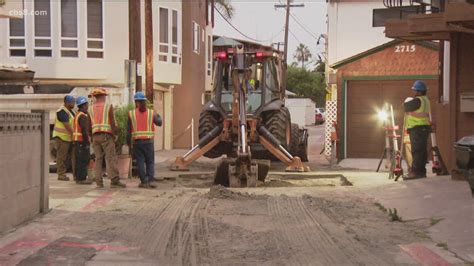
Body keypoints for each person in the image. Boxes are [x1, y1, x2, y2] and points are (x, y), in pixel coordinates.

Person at [89, 88, 126, 188]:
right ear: (103, 96)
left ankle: (99, 182)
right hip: (106, 136)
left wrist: (91, 137)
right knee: (110, 158)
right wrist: (116, 134)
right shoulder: (108, 106)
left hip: (95, 136)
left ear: (95, 97)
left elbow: (89, 124)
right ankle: (114, 181)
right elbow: (112, 122)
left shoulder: (90, 108)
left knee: (98, 159)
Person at [127, 92, 162, 188]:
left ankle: (143, 182)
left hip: (137, 142)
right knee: (150, 161)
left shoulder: (131, 114)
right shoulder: (151, 113)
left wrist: (129, 145)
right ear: (145, 101)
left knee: (140, 162)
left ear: (136, 102)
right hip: (149, 142)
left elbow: (128, 131)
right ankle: (150, 180)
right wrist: (157, 113)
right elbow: (160, 123)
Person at [403, 80, 432, 180]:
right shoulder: (426, 100)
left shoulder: (418, 100)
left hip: (417, 129)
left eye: (415, 90)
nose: (414, 92)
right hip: (423, 128)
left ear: (419, 91)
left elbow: (405, 106)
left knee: (417, 151)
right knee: (422, 151)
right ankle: (421, 172)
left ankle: (415, 173)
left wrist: (407, 101)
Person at [53, 95, 75, 181]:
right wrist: (74, 134)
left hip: (67, 137)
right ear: (66, 103)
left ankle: (72, 174)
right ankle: (61, 174)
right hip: (62, 137)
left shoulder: (70, 111)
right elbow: (67, 125)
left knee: (67, 157)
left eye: (73, 102)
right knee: (61, 157)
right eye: (72, 102)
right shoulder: (61, 111)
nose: (73, 104)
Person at [73, 96, 93, 185]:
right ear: (83, 105)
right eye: (86, 104)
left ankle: (78, 178)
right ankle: (82, 179)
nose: (88, 106)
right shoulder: (82, 116)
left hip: (77, 141)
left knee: (79, 160)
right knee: (84, 160)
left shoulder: (78, 114)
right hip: (82, 141)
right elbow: (84, 130)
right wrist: (87, 141)